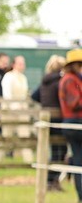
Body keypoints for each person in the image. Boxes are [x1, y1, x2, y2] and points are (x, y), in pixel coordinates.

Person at [32, 55, 66, 191]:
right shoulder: (60, 82)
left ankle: (50, 180)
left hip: (45, 119)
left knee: (53, 150)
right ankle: (51, 180)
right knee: (60, 151)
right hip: (57, 119)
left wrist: (45, 104)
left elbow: (34, 96)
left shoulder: (44, 81)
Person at [59, 48, 82, 203]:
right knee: (79, 161)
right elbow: (74, 103)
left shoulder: (75, 79)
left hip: (76, 122)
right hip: (75, 123)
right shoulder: (69, 80)